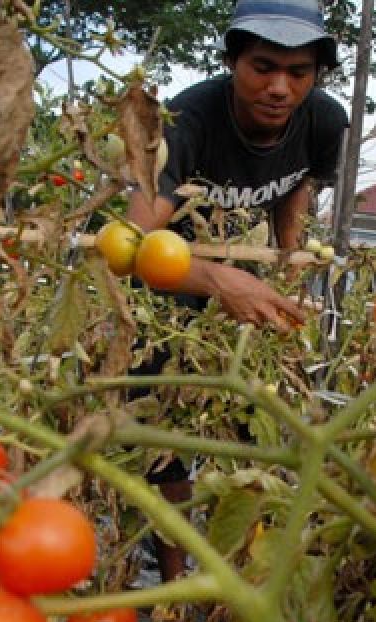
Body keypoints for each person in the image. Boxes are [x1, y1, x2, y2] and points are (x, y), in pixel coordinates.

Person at [125, 0, 349, 580]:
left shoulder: (325, 121)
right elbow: (134, 240)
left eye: (298, 73)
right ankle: (172, 579)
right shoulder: (188, 120)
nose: (280, 87)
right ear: (232, 62)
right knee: (165, 417)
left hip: (242, 269)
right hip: (171, 275)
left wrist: (289, 249)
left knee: (255, 420)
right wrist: (218, 280)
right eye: (263, 67)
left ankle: (233, 575)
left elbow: (304, 180)